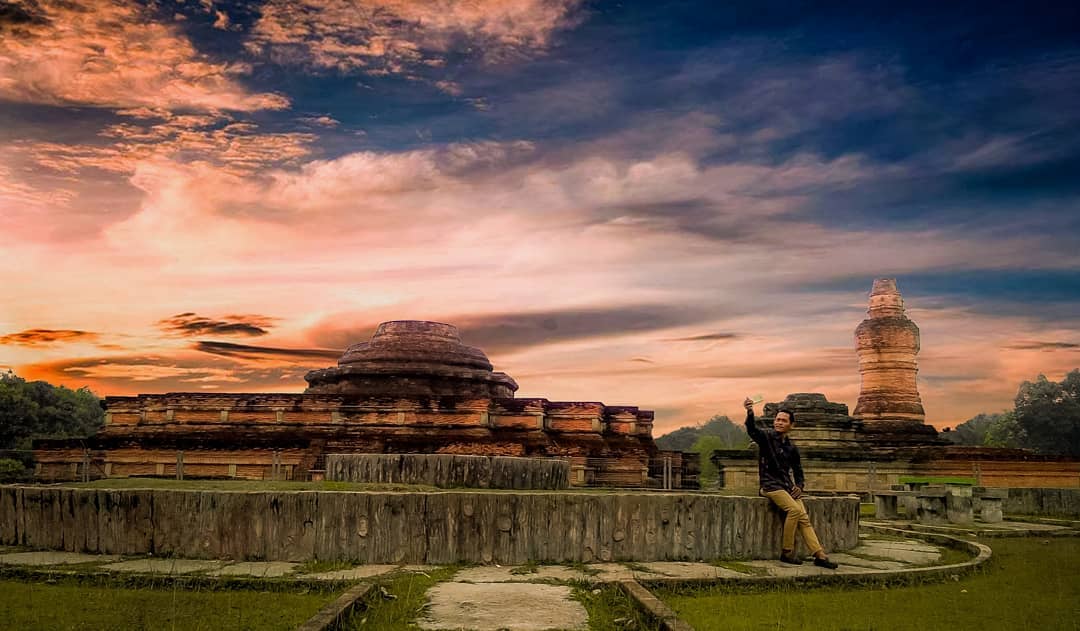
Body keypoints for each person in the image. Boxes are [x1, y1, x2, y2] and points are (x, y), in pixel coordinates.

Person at [744, 397, 838, 569]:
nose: (779, 422)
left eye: (783, 420)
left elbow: (798, 471)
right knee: (794, 510)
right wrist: (750, 411)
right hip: (770, 486)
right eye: (777, 419)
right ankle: (787, 552)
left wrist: (799, 486)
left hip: (786, 486)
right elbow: (751, 430)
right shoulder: (766, 438)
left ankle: (819, 555)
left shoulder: (791, 448)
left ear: (791, 425)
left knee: (804, 519)